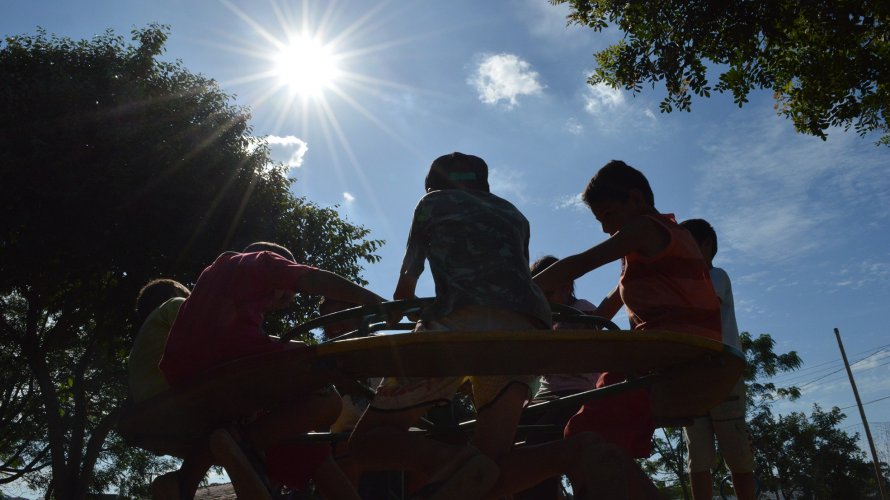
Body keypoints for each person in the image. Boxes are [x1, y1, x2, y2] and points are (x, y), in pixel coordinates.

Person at [348, 152, 652, 500]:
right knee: (491, 466)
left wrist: (394, 314)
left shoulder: (432, 203)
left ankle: (449, 461)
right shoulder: (515, 215)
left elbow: (405, 286)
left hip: (458, 324)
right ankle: (576, 452)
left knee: (365, 444)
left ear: (432, 185)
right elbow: (512, 283)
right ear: (485, 187)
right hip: (525, 333)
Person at [159, 242, 384, 499]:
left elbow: (247, 340)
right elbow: (312, 278)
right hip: (228, 367)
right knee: (326, 400)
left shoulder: (214, 284)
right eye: (288, 296)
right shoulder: (260, 262)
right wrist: (371, 300)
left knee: (309, 451)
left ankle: (184, 482)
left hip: (189, 379)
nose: (286, 304)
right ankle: (243, 444)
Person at [533, 160, 722, 462]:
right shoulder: (663, 243)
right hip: (694, 354)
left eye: (608, 215)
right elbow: (605, 310)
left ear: (636, 199)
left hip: (668, 354)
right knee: (602, 446)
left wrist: (515, 295)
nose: (606, 229)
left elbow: (579, 263)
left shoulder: (647, 229)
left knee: (581, 435)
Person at [680, 218, 756, 500]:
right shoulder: (683, 282)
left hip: (724, 375)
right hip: (691, 377)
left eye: (686, 246)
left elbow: (700, 304)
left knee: (737, 454)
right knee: (697, 456)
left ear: (706, 246)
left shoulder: (716, 276)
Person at [515, 255, 601, 500]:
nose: (544, 301)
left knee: (539, 442)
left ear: (566, 286)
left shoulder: (582, 311)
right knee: (507, 430)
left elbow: (587, 354)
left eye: (549, 293)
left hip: (578, 392)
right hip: (544, 395)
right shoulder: (540, 320)